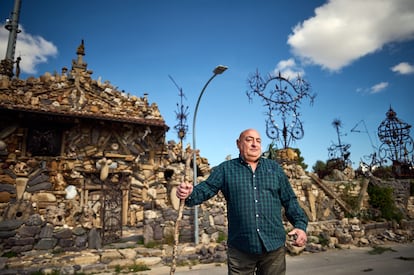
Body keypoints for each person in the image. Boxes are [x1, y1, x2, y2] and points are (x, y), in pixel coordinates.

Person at [176, 128, 307, 275]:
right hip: (240, 249)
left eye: (258, 141)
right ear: (238, 144)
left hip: (273, 247)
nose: (254, 144)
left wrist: (300, 225)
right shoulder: (225, 169)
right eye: (249, 140)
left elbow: (290, 199)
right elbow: (205, 189)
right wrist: (188, 193)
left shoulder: (274, 169)